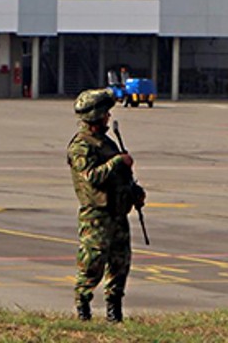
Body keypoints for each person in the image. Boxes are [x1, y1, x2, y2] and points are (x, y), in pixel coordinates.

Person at [67, 88, 145, 322]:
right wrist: (117, 162)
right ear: (96, 116)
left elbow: (120, 179)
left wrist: (134, 193)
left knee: (120, 263)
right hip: (97, 216)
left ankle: (114, 309)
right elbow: (92, 176)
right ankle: (83, 307)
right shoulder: (81, 146)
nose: (108, 117)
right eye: (105, 114)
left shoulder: (106, 142)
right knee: (93, 262)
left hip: (117, 213)